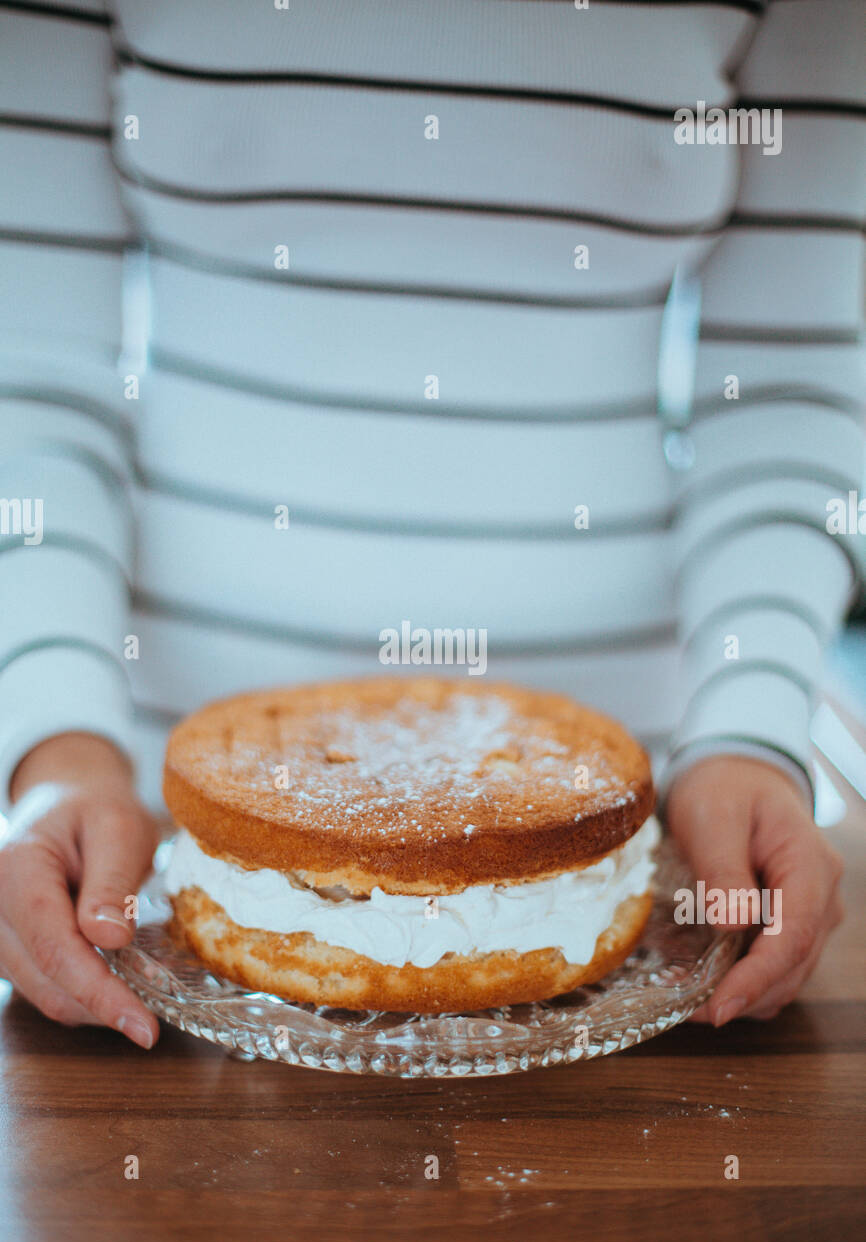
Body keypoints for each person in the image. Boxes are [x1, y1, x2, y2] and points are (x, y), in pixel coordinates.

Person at [0, 0, 860, 1048]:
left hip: (640, 830)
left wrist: (751, 728)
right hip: (150, 845)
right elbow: (30, 379)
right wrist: (55, 742)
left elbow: (783, 395)